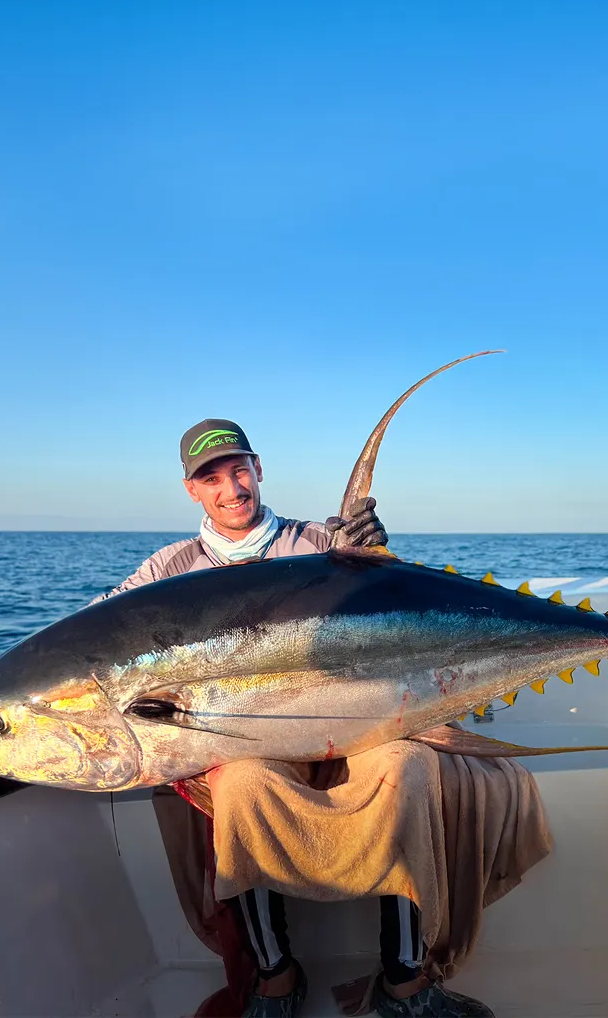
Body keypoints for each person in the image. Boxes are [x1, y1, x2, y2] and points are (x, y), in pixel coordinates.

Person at [96, 418, 495, 1018]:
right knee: (238, 783)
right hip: (254, 744)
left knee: (410, 763)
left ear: (258, 470)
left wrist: (373, 556)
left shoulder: (321, 543)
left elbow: (398, 617)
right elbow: (98, 637)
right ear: (192, 490)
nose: (231, 489)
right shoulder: (166, 572)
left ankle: (406, 977)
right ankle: (275, 976)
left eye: (239, 470)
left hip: (352, 727)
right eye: (212, 478)